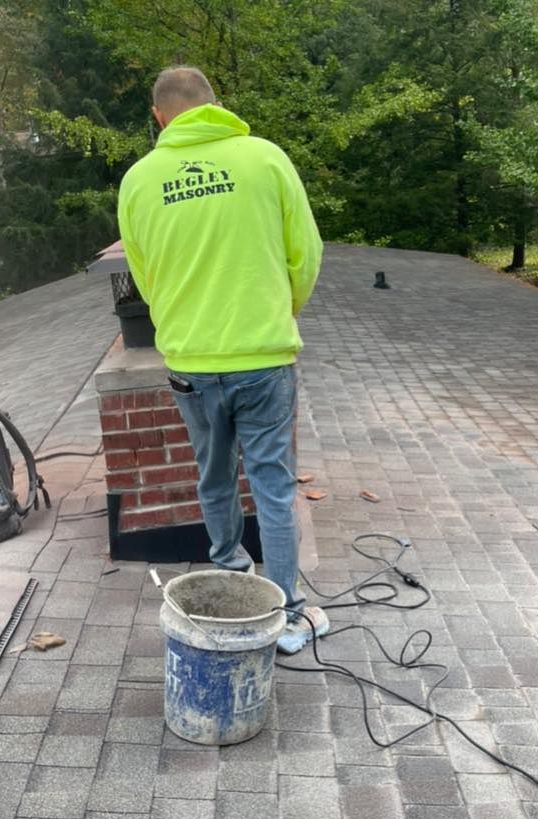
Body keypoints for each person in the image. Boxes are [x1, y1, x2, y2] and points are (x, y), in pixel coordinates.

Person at [117, 65, 327, 654]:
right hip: (262, 355)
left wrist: (183, 324)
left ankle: (231, 575)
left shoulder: (139, 180)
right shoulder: (265, 158)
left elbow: (144, 274)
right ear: (214, 105)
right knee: (273, 486)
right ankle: (285, 615)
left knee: (213, 474)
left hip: (191, 359)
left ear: (159, 116)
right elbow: (304, 253)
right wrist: (280, 311)